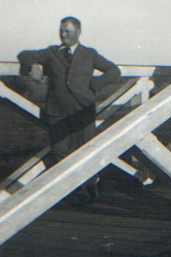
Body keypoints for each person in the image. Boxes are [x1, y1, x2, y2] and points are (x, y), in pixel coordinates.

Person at [18, 16, 121, 203]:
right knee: (60, 150)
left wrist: (94, 85)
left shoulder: (89, 54)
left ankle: (88, 186)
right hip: (57, 110)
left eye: (68, 31)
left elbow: (114, 71)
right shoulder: (51, 52)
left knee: (85, 149)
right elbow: (24, 54)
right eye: (61, 30)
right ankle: (70, 189)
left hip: (83, 109)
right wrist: (33, 64)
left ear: (78, 32)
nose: (63, 34)